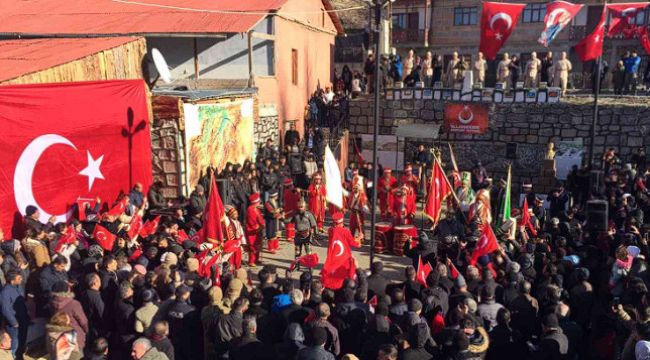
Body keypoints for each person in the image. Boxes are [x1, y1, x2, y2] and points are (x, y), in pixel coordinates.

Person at [1, 271, 29, 359]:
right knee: (15, 341)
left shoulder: (17, 287)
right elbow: (5, 309)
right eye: (19, 279)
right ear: (12, 281)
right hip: (15, 322)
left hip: (23, 318)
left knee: (22, 339)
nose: (21, 280)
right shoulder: (5, 292)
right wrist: (14, 322)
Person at [245, 193, 265, 267]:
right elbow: (251, 221)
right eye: (259, 201)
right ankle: (251, 261)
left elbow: (260, 218)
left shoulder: (256, 209)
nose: (259, 202)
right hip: (252, 231)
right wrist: (258, 227)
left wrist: (262, 224)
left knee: (258, 245)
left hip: (257, 230)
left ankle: (256, 259)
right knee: (252, 246)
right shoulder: (250, 210)